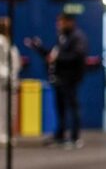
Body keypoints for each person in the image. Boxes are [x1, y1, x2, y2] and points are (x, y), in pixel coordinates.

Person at [25, 14, 88, 148]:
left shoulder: (77, 37)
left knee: (73, 107)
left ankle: (75, 137)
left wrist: (57, 58)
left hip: (71, 79)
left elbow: (76, 55)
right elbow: (53, 55)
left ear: (69, 22)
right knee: (60, 107)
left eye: (61, 22)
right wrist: (39, 48)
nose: (58, 24)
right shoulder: (62, 37)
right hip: (60, 78)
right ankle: (60, 134)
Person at [0, 17, 21, 147]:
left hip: (10, 80)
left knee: (10, 110)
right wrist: (5, 75)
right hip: (2, 81)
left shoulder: (7, 42)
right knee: (0, 108)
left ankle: (7, 134)